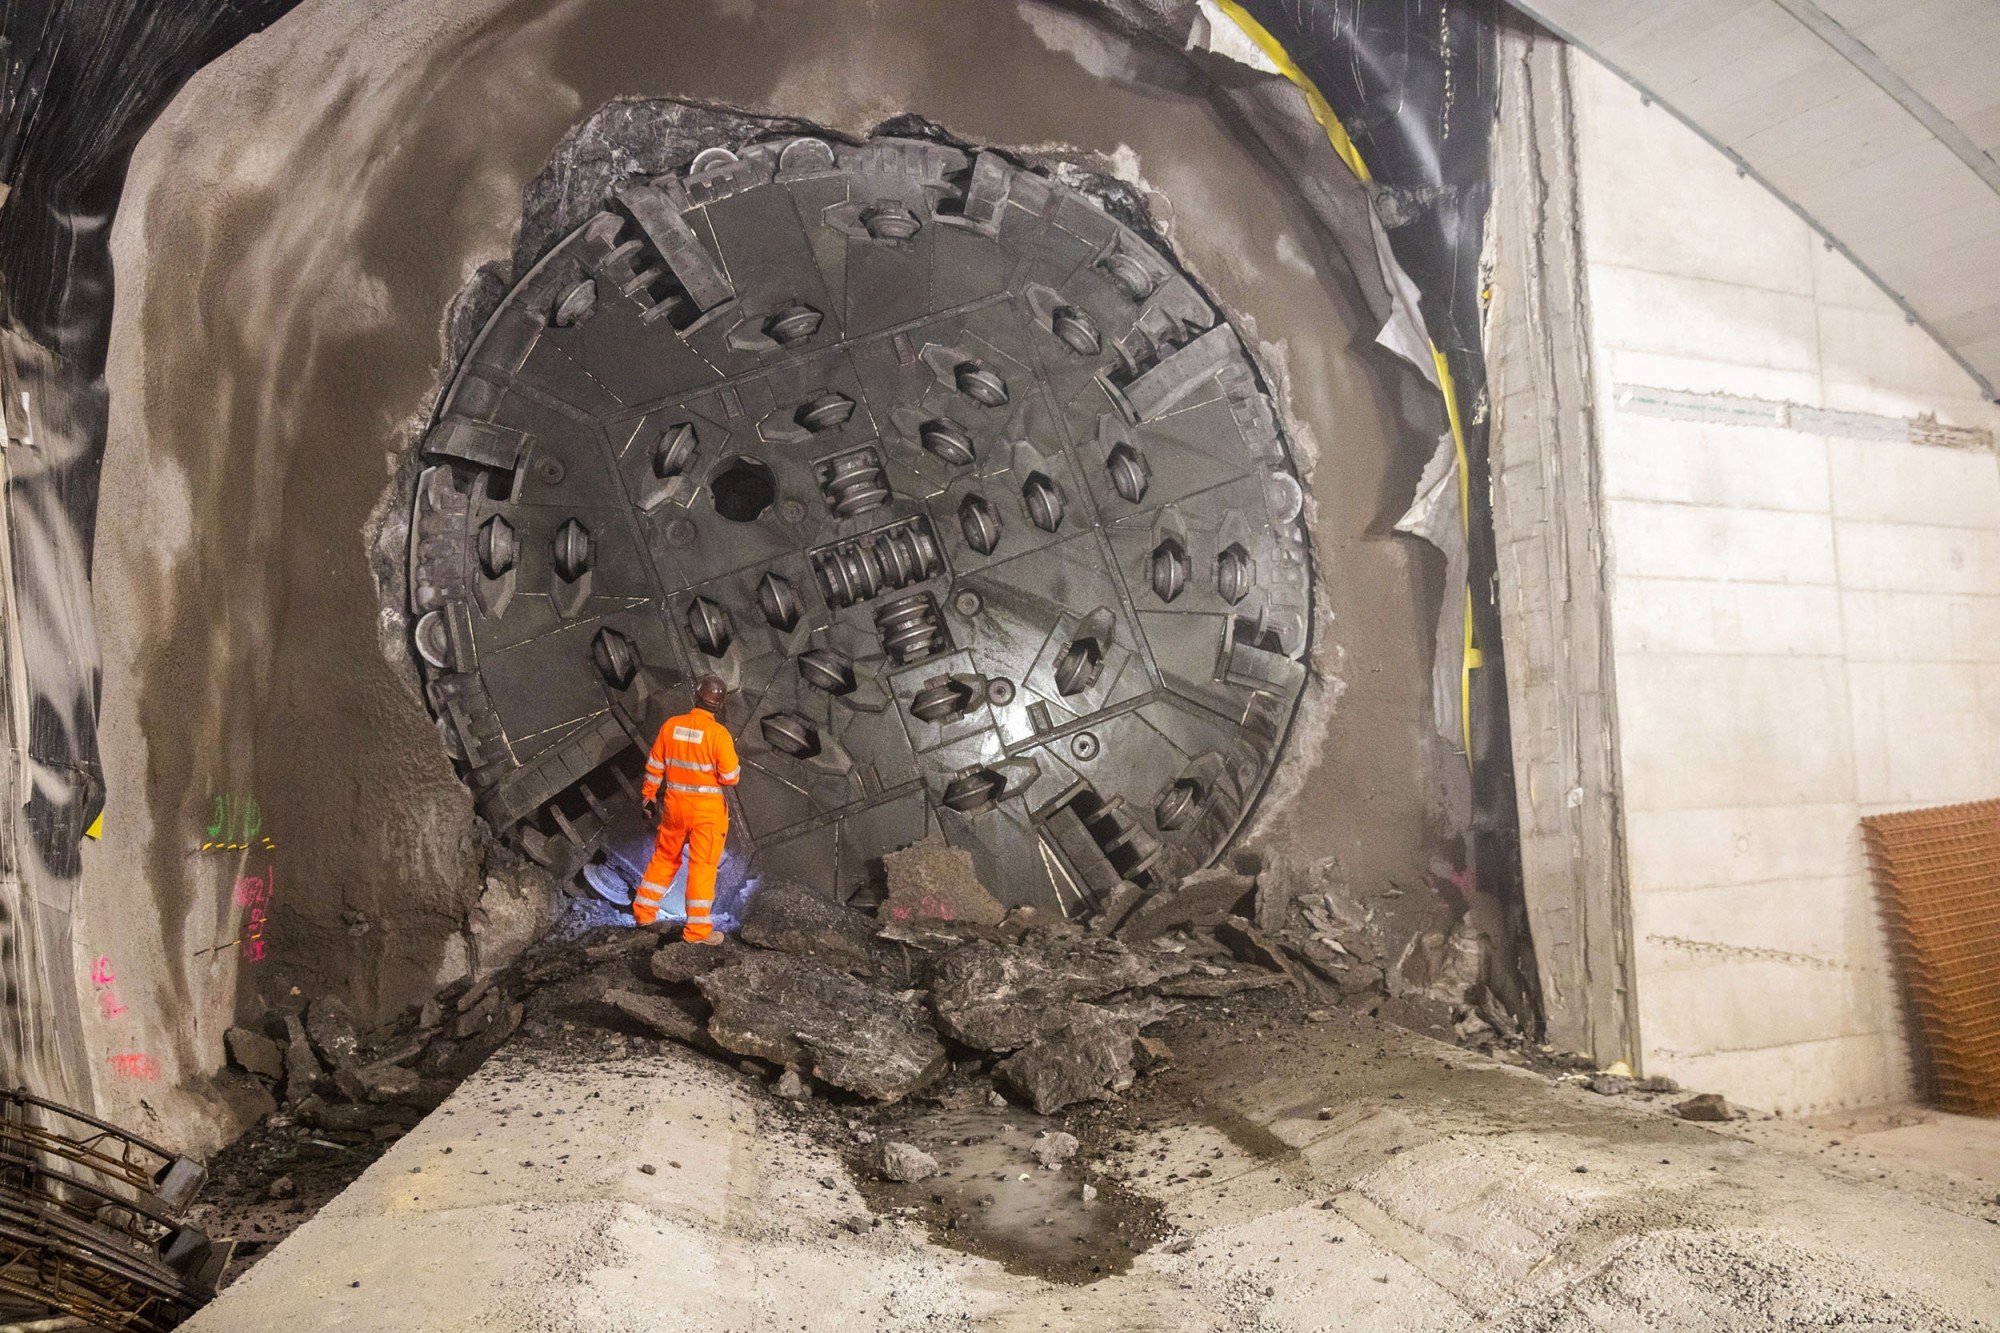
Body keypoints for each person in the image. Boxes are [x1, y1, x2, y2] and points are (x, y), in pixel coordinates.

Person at [635, 674, 739, 943]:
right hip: (706, 811)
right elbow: (730, 777)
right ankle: (696, 933)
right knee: (702, 866)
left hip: (674, 806)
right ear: (719, 705)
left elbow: (655, 765)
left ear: (696, 696)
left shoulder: (672, 726)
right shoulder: (719, 735)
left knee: (665, 856)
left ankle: (644, 913)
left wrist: (648, 797)